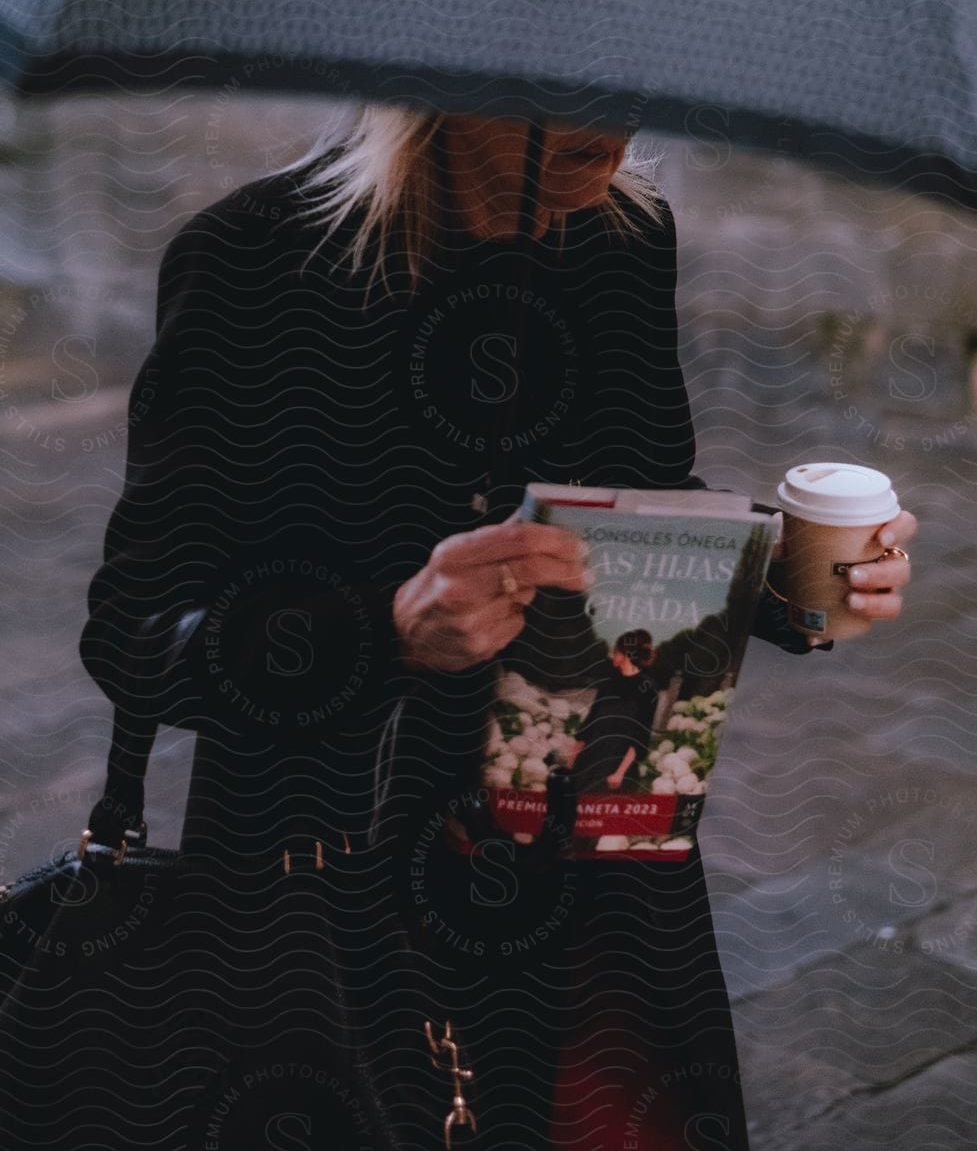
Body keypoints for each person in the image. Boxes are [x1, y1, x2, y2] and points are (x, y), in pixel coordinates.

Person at [76, 104, 916, 1151]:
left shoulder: (620, 234)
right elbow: (133, 632)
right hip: (326, 863)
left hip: (578, 835)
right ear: (437, 75)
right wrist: (384, 632)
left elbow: (644, 509)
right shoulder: (257, 255)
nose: (610, 119)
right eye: (562, 85)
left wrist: (797, 588)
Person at [567, 629, 661, 795]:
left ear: (626, 654)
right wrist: (569, 766)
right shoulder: (608, 684)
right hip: (589, 760)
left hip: (617, 766)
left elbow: (640, 736)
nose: (612, 655)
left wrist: (619, 773)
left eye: (616, 651)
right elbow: (588, 725)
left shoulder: (648, 688)